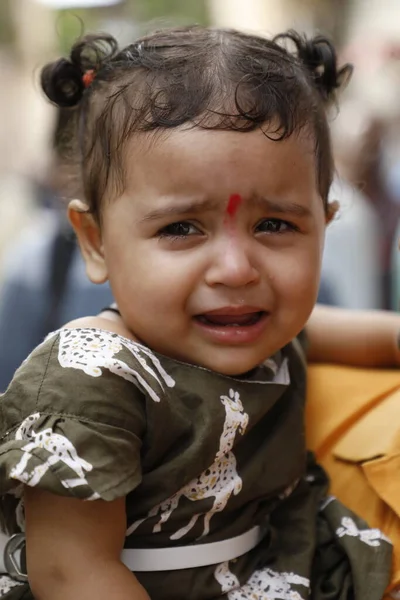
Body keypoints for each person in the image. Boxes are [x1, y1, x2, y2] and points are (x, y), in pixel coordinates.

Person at [0, 26, 399, 600]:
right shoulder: (91, 381)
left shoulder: (264, 329)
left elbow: (371, 339)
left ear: (325, 227)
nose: (236, 270)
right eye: (181, 228)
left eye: (275, 225)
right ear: (96, 242)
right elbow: (71, 574)